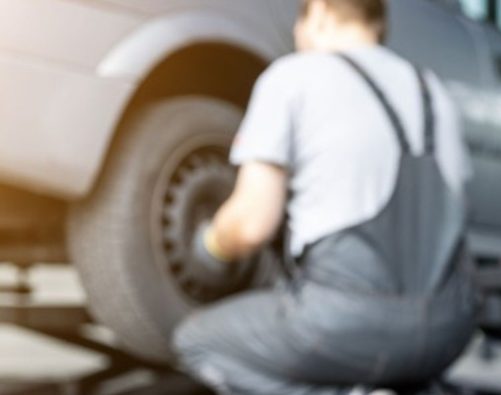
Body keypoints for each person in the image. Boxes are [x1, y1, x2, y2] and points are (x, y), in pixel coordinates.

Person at [172, 0, 476, 393]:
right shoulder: (433, 91)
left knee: (198, 342)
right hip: (448, 329)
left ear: (319, 12)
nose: (297, 34)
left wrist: (208, 247)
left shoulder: (295, 76)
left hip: (346, 324)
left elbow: (250, 224)